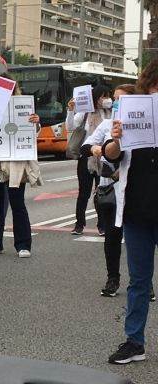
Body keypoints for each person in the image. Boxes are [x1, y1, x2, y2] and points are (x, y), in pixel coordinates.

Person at [105, 59, 158, 365]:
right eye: (152, 91)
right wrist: (117, 136)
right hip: (137, 212)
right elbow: (112, 155)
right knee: (138, 282)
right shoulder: (129, 115)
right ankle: (134, 341)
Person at [81, 84, 136, 297]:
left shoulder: (144, 125)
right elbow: (86, 147)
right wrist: (99, 149)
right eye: (113, 98)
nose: (114, 102)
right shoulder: (105, 124)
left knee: (138, 239)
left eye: (120, 99)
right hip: (110, 189)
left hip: (136, 189)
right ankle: (113, 278)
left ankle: (143, 281)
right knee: (112, 237)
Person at [0, 75, 42, 258]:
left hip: (15, 159)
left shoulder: (21, 107)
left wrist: (35, 122)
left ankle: (23, 244)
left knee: (17, 201)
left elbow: (33, 132)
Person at [67, 84, 112, 236]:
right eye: (104, 96)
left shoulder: (110, 113)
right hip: (86, 157)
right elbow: (70, 126)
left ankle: (102, 225)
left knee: (103, 193)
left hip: (105, 158)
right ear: (96, 98)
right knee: (84, 193)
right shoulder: (85, 113)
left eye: (108, 96)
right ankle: (79, 224)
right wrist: (71, 110)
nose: (107, 99)